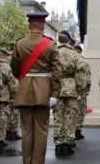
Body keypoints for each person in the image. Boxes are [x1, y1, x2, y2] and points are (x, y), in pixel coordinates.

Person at [11, 12, 62, 164]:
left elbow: (14, 68)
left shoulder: (20, 44)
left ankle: (27, 162)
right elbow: (57, 71)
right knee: (41, 131)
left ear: (29, 26)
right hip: (44, 92)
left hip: (24, 91)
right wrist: (55, 94)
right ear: (43, 26)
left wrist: (25, 79)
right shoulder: (50, 45)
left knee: (26, 131)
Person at [53, 30, 87, 157]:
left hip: (57, 88)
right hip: (71, 88)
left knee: (58, 117)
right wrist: (80, 89)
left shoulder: (53, 53)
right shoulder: (75, 54)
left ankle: (58, 144)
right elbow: (80, 73)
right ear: (69, 40)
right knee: (70, 117)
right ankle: (67, 144)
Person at [73, 44, 91, 140]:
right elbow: (87, 78)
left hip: (67, 89)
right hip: (80, 90)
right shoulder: (84, 61)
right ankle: (77, 131)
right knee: (80, 110)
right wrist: (86, 90)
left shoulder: (67, 58)